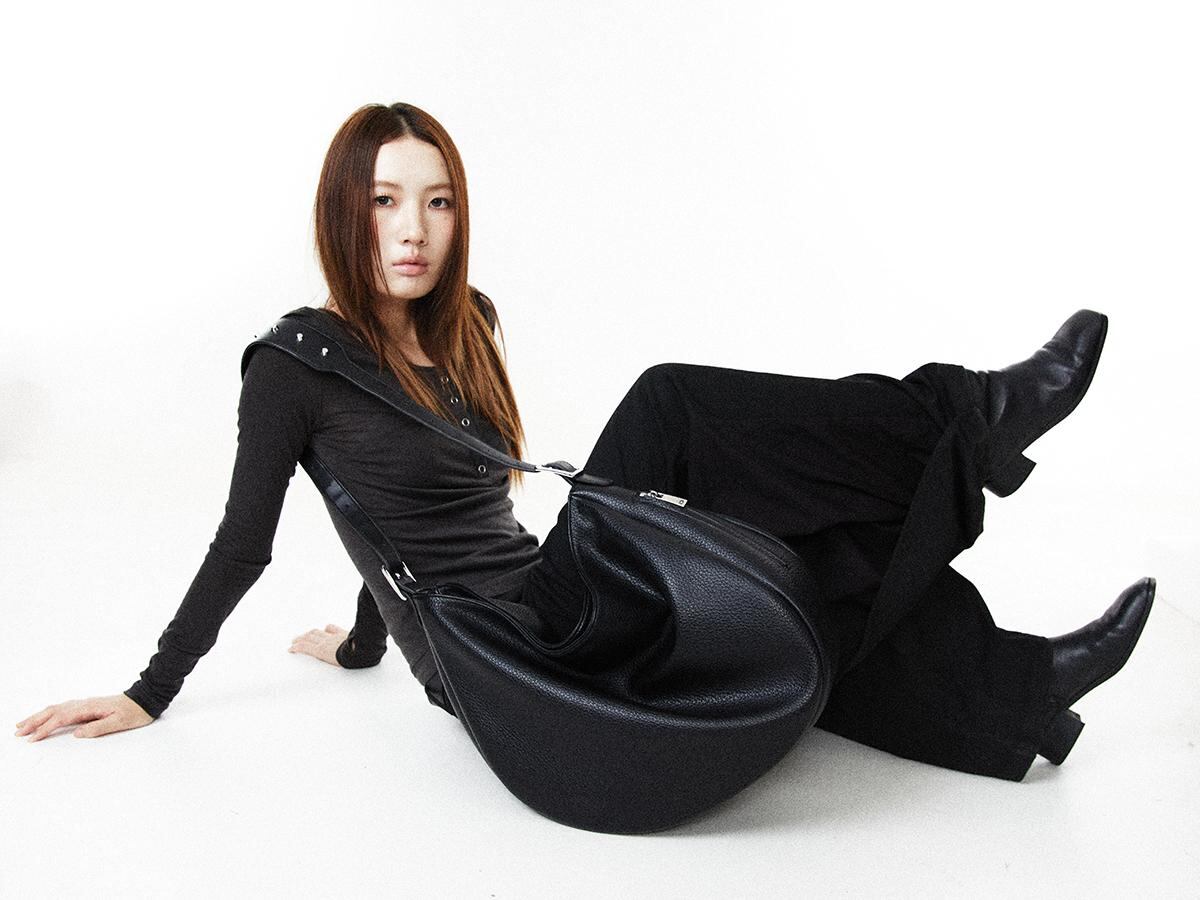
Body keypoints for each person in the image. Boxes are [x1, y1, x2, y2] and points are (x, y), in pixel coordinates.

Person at [15, 102, 1155, 784]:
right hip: (507, 652)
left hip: (560, 591)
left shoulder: (469, 325)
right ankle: (969, 415)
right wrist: (151, 691)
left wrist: (360, 639)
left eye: (438, 202)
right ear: (341, 211)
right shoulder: (292, 367)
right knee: (670, 406)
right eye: (384, 201)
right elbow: (259, 539)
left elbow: (413, 498)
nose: (413, 230)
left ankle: (1019, 686)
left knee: (792, 559)